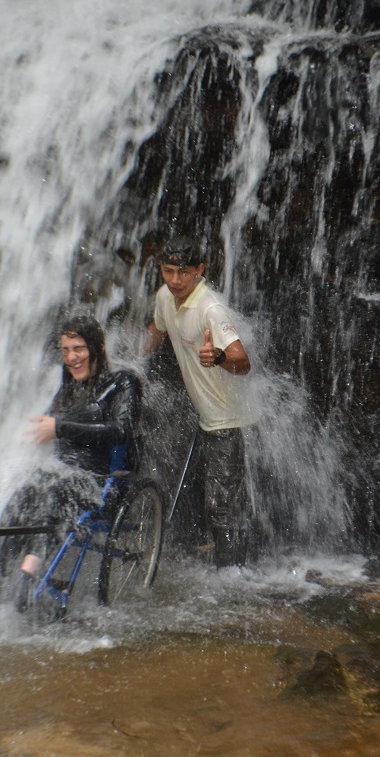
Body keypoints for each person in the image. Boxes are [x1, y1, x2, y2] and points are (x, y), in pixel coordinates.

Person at [0, 314, 142, 608]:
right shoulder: (66, 390)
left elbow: (121, 429)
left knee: (57, 490)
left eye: (79, 348)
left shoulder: (122, 383)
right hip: (62, 473)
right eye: (66, 350)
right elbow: (48, 430)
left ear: (96, 348)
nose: (71, 357)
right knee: (25, 491)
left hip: (104, 481)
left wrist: (58, 427)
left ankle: (29, 572)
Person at [145, 235, 254, 568]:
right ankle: (197, 554)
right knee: (191, 488)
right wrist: (129, 362)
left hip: (227, 421)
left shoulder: (211, 309)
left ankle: (231, 576)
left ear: (200, 271)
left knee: (222, 506)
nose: (175, 281)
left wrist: (219, 356)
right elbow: (157, 330)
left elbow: (242, 361)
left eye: (183, 272)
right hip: (200, 413)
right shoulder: (165, 296)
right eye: (168, 271)